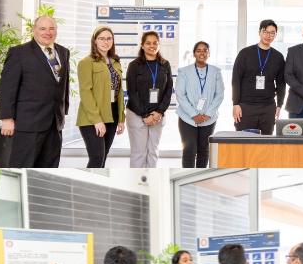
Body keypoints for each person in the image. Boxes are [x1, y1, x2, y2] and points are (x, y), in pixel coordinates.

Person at [0, 15, 70, 167]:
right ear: (34, 30)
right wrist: (7, 118)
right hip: (28, 124)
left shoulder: (63, 52)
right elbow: (6, 87)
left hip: (54, 123)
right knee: (23, 166)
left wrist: (64, 111)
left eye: (52, 28)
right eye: (42, 28)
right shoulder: (19, 53)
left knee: (50, 167)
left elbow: (63, 85)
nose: (47, 32)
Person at [76, 26, 125, 168]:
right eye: (101, 38)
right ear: (95, 41)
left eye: (109, 38)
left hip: (112, 113)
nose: (106, 42)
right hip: (92, 118)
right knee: (97, 157)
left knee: (103, 157)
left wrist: (121, 118)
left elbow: (119, 91)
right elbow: (85, 92)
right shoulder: (86, 62)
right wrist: (96, 120)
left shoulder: (115, 62)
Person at [125, 31, 172, 167]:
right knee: (139, 153)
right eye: (148, 43)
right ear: (142, 45)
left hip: (158, 115)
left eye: (155, 43)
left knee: (153, 152)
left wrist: (159, 112)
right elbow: (132, 92)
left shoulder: (165, 65)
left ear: (159, 44)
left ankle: (151, 180)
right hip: (137, 114)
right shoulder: (134, 65)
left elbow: (168, 90)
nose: (152, 46)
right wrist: (145, 115)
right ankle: (135, 183)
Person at [233, 20, 286, 135]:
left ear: (276, 35)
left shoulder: (278, 57)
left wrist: (279, 105)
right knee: (245, 143)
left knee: (265, 146)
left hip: (268, 108)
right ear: (259, 32)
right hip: (246, 107)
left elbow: (281, 83)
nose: (268, 35)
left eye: (272, 33)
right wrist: (235, 104)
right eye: (265, 31)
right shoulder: (245, 53)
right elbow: (236, 79)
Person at [176, 41, 224, 167]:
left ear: (209, 53)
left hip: (209, 118)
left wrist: (208, 114)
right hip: (187, 118)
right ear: (194, 54)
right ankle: (188, 175)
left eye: (205, 50)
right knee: (189, 149)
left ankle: (199, 176)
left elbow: (219, 95)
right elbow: (180, 95)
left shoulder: (216, 72)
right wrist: (193, 114)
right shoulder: (184, 72)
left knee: (204, 150)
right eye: (198, 50)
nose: (202, 53)